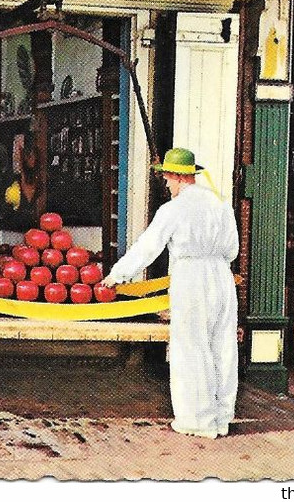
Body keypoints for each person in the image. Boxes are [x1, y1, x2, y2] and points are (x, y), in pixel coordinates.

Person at [102, 147, 239, 439]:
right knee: (222, 347)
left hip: (191, 276)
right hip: (221, 276)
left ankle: (196, 420)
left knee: (191, 347)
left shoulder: (173, 210)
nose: (166, 184)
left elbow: (147, 247)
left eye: (166, 178)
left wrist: (118, 275)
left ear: (176, 177)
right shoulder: (220, 203)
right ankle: (222, 418)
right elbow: (232, 249)